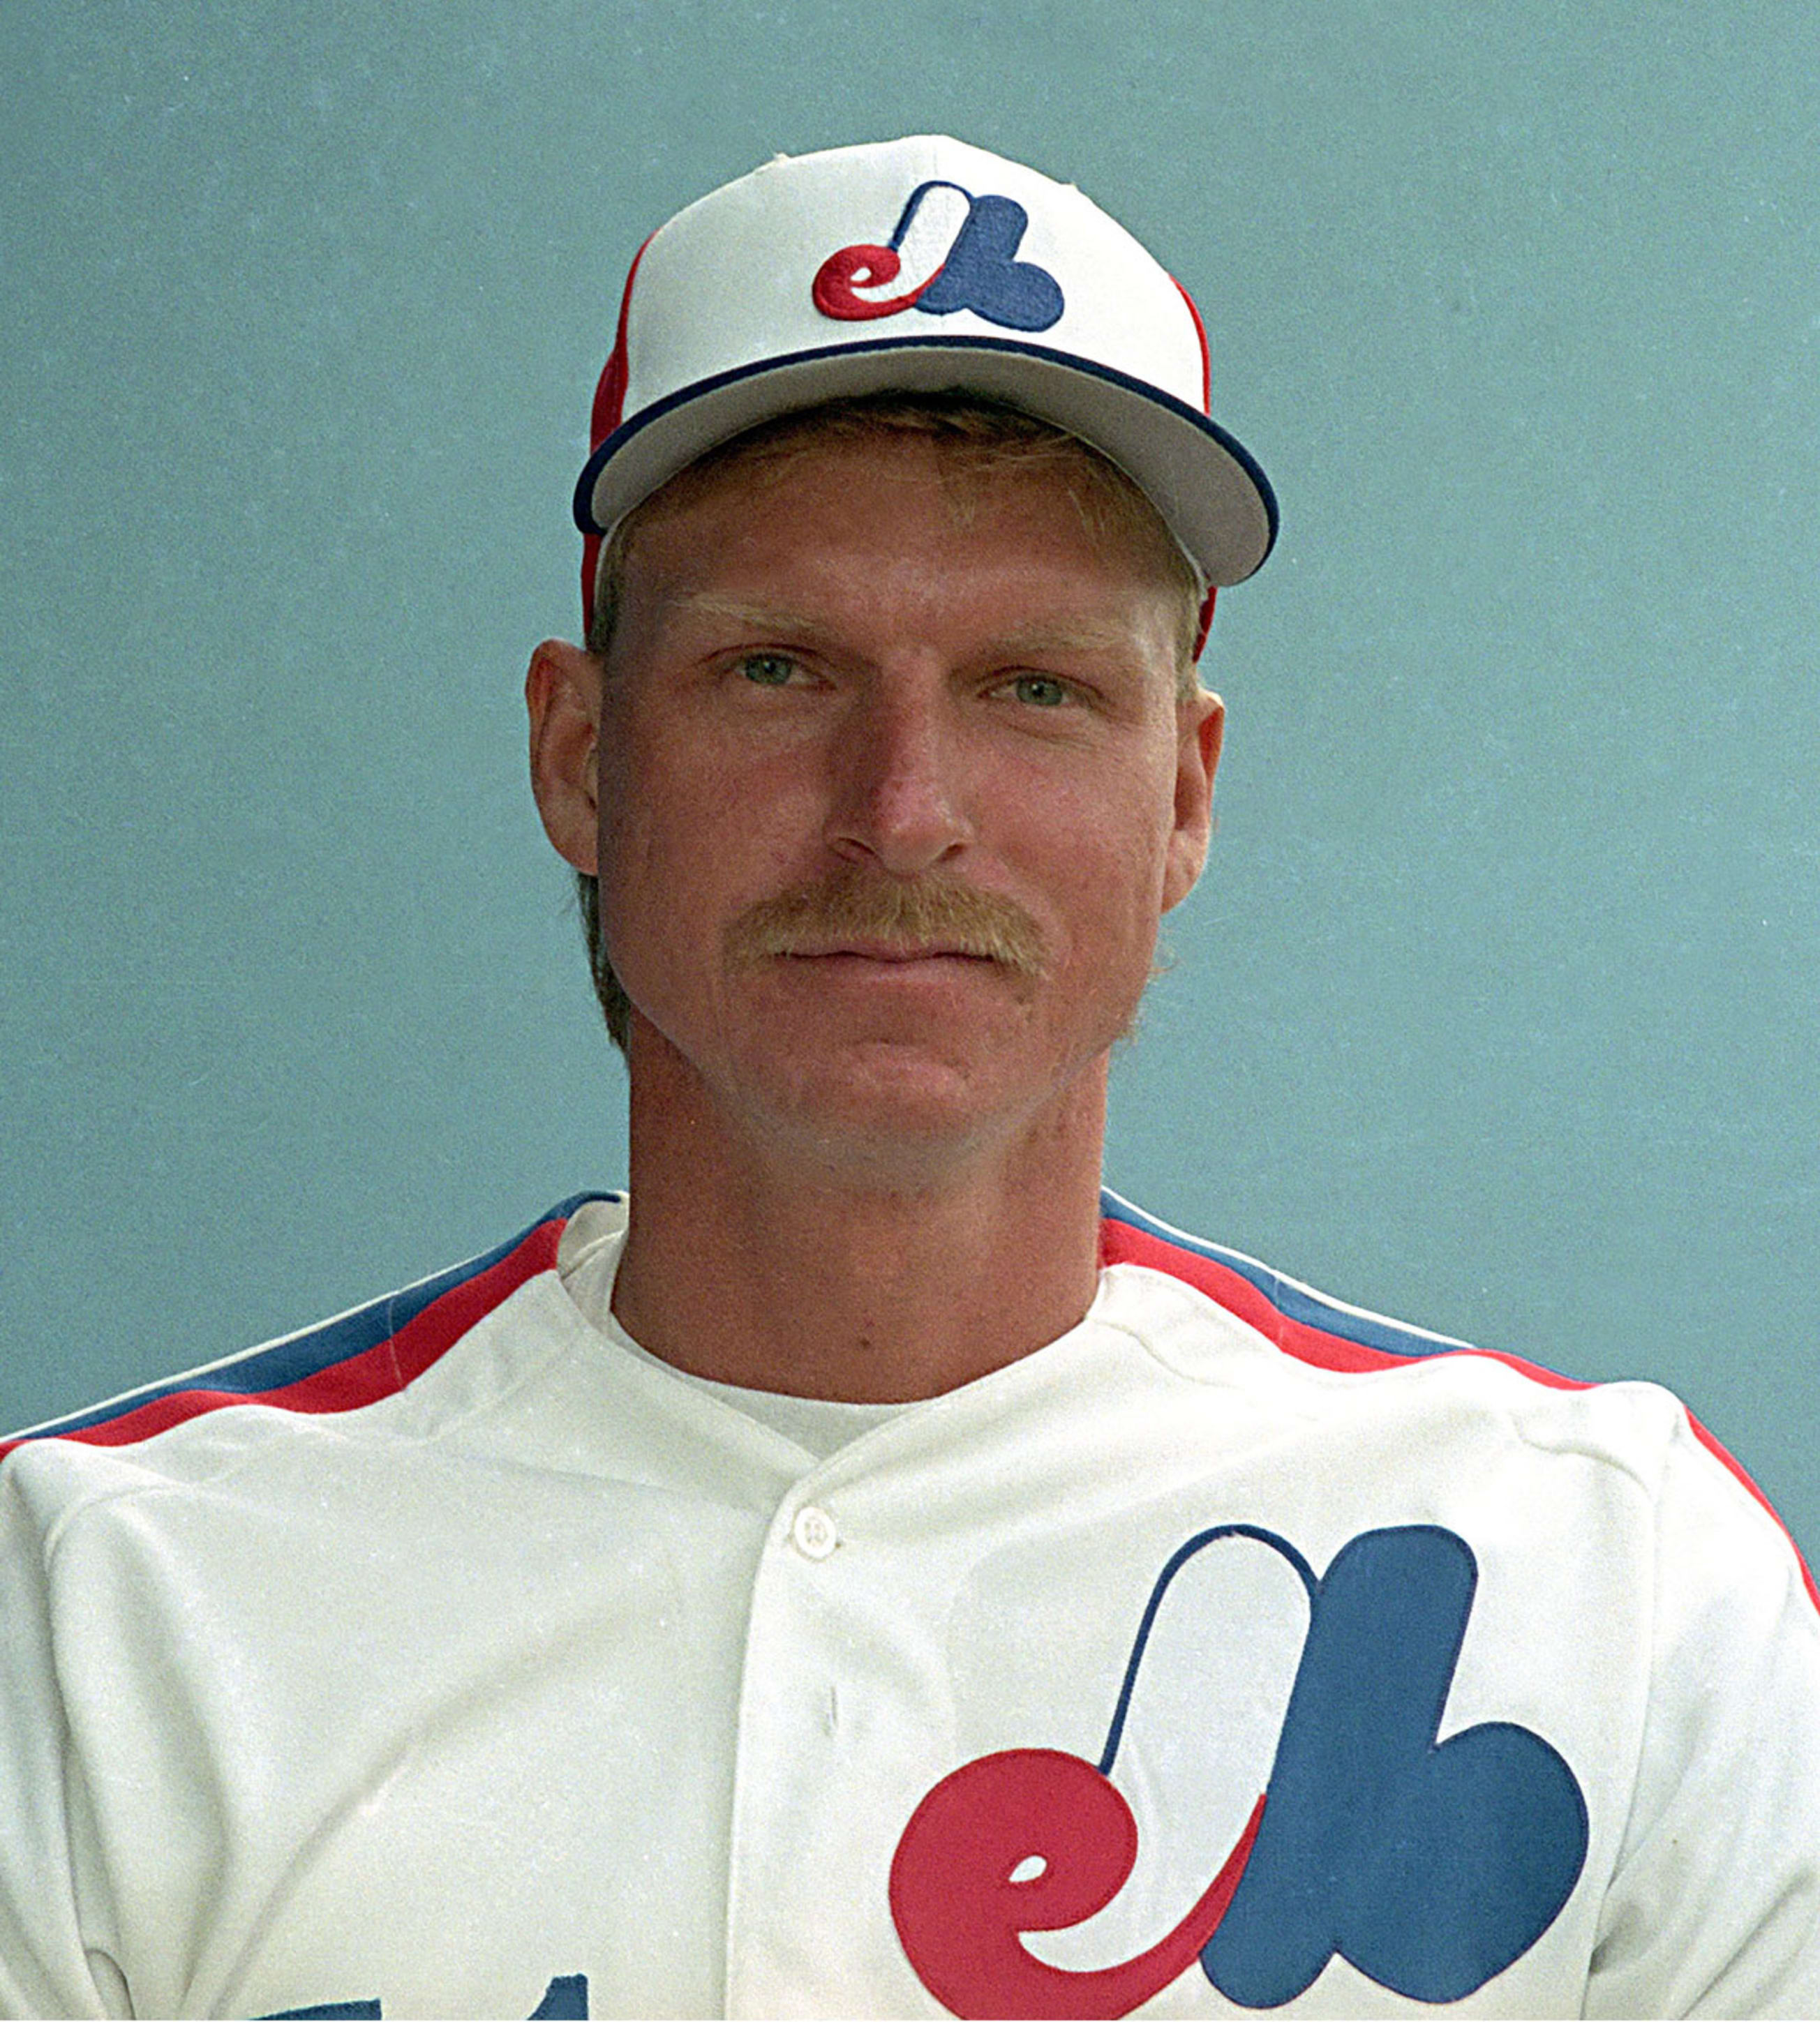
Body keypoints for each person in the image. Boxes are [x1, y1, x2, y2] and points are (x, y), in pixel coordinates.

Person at [1, 136, 1814, 2021]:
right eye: (778, 668)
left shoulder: (1615, 1593)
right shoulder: (100, 1615)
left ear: (1186, 789)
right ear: (583, 754)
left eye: (1034, 685)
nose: (906, 811)